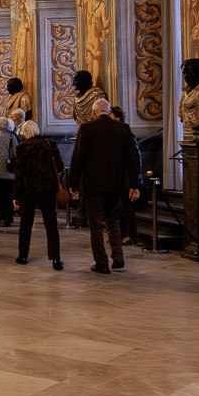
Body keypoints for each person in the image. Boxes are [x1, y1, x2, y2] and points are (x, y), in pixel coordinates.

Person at [69, 99, 140, 274]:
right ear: (108, 111)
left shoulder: (86, 129)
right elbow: (132, 158)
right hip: (115, 184)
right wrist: (134, 184)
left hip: (93, 183)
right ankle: (118, 256)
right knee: (113, 220)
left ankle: (101, 262)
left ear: (93, 112)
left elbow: (78, 158)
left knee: (95, 224)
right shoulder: (123, 129)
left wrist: (72, 182)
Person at [12, 120, 64, 269]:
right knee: (51, 224)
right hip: (48, 188)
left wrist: (15, 195)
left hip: (28, 189)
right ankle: (55, 259)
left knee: (26, 223)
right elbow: (59, 166)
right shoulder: (49, 144)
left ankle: (23, 256)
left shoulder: (21, 148)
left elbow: (19, 173)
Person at [111, 106, 141, 245]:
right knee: (119, 208)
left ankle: (132, 235)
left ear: (117, 117)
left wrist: (134, 182)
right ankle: (122, 234)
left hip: (127, 176)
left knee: (127, 209)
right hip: (118, 176)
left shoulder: (125, 131)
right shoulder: (115, 132)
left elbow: (134, 156)